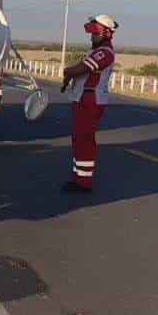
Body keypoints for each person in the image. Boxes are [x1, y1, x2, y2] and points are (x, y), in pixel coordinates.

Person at [59, 14, 119, 192]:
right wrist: (69, 75)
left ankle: (83, 182)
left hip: (91, 100)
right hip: (83, 98)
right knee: (79, 139)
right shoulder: (94, 51)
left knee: (84, 140)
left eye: (96, 33)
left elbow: (80, 69)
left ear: (107, 34)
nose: (92, 36)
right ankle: (77, 177)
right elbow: (79, 71)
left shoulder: (104, 53)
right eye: (92, 32)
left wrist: (67, 71)